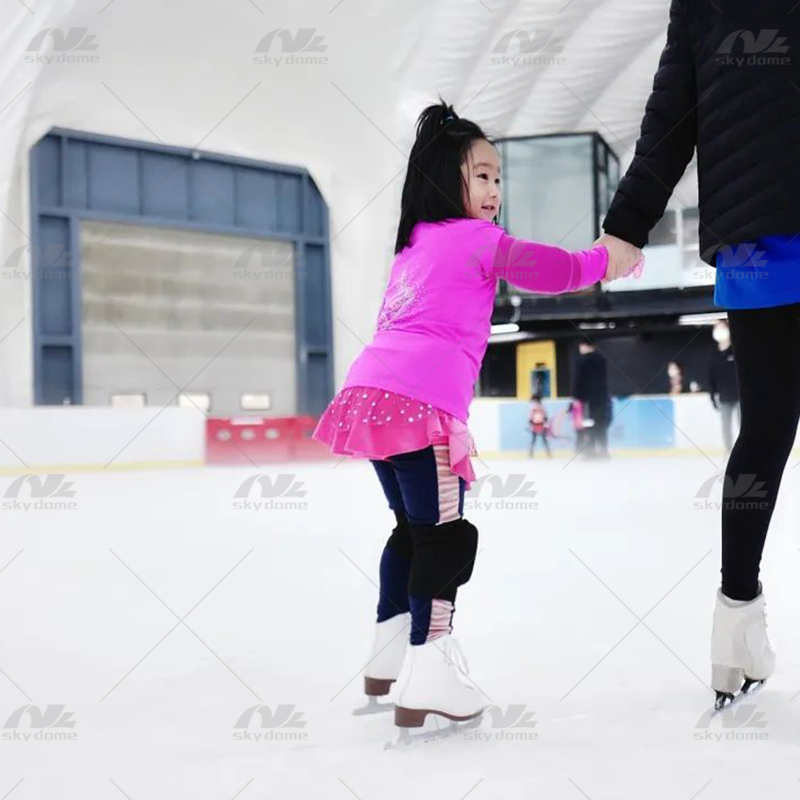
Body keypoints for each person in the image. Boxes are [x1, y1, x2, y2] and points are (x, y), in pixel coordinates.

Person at [313, 100, 642, 730]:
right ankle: (429, 669)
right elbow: (560, 270)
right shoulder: (477, 240)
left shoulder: (413, 245)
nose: (495, 189)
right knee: (444, 535)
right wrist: (609, 258)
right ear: (447, 178)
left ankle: (389, 655)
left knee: (411, 533)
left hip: (371, 394)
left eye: (499, 177)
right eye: (483, 175)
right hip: (420, 403)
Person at [596, 0, 800, 706]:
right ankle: (737, 621)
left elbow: (670, 120)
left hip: (752, 239)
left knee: (769, 424)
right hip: (761, 235)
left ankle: (734, 619)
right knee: (769, 424)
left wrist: (628, 223)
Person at [572, 341, 612, 459]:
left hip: (587, 400)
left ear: (584, 346)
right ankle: (604, 451)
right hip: (602, 398)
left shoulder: (582, 361)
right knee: (601, 425)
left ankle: (590, 452)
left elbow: (579, 380)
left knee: (589, 425)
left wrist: (576, 397)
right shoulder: (602, 360)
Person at [708, 320, 739, 453]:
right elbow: (711, 377)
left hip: (741, 396)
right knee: (725, 426)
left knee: (743, 425)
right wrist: (713, 396)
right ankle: (729, 451)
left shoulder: (736, 350)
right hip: (724, 397)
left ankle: (744, 450)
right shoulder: (713, 354)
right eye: (717, 327)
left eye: (722, 327)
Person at [528, 394, 552, 459]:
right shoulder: (534, 410)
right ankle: (531, 454)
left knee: (544, 440)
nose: (536, 404)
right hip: (535, 425)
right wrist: (531, 425)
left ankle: (548, 453)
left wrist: (545, 424)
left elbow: (545, 417)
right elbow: (530, 419)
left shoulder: (542, 409)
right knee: (533, 440)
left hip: (542, 425)